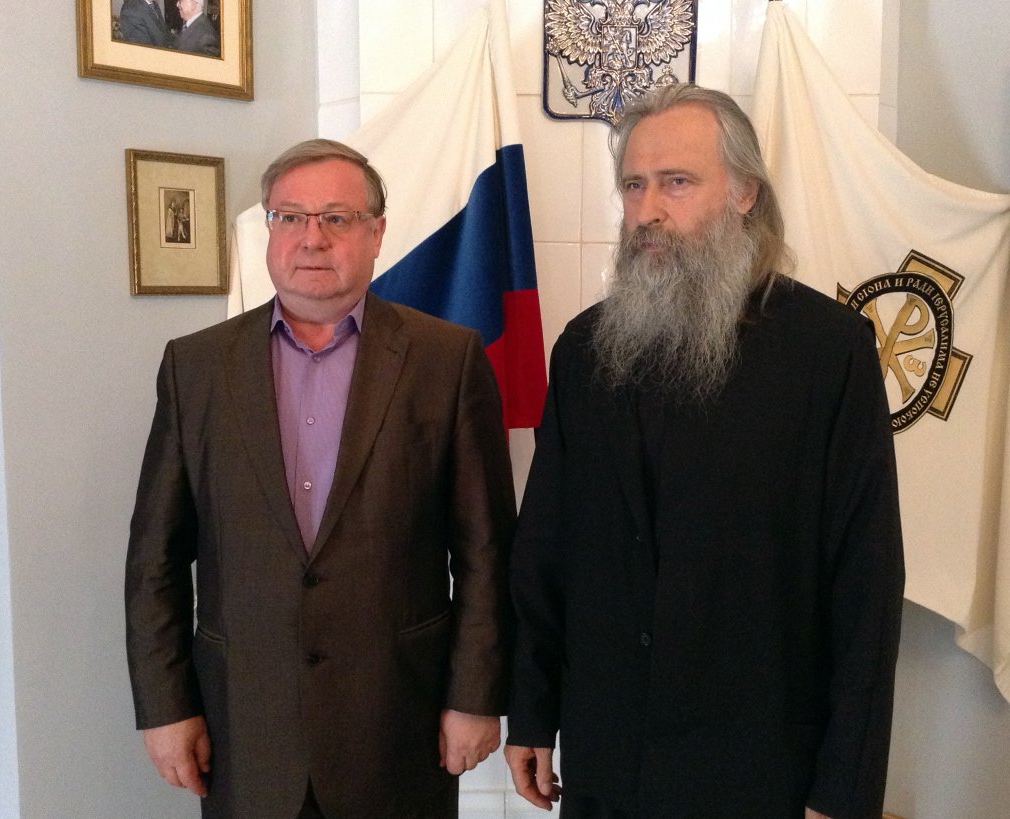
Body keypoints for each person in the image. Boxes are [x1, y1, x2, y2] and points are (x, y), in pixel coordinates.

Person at [504, 84, 904, 818]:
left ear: (745, 192)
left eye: (677, 182)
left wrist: (843, 788)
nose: (648, 210)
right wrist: (531, 710)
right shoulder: (584, 349)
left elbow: (865, 581)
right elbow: (547, 545)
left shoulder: (828, 351)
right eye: (634, 185)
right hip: (609, 764)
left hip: (760, 772)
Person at [126, 139, 516, 818]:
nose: (312, 238)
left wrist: (476, 696)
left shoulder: (447, 361)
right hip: (244, 728)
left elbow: (486, 551)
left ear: (376, 234)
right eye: (290, 217)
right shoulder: (197, 367)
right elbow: (154, 558)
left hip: (398, 726)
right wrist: (165, 706)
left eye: (337, 218)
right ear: (268, 229)